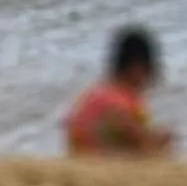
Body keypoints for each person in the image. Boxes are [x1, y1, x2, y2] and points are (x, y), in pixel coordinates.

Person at [63, 25, 176, 157]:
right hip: (102, 163)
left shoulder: (94, 94)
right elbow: (141, 140)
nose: (149, 81)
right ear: (137, 68)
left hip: (79, 159)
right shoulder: (120, 101)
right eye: (149, 71)